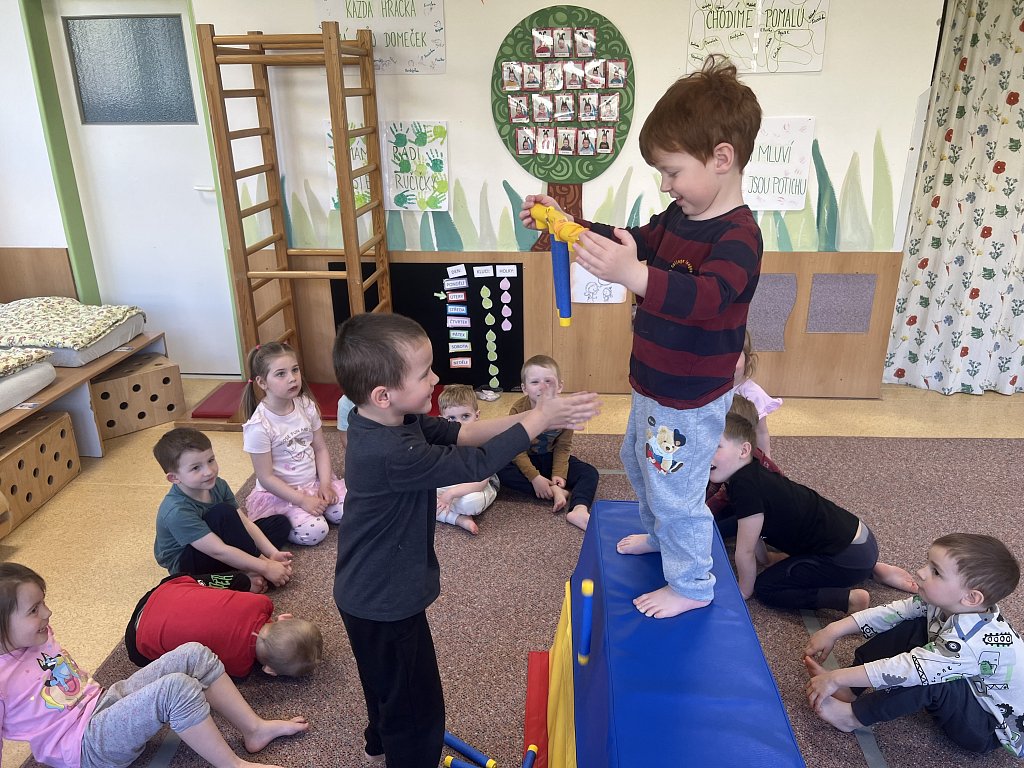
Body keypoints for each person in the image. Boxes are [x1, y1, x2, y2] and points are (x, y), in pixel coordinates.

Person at [520, 54, 764, 618]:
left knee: (676, 489)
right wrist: (568, 223)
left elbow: (708, 297)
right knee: (637, 461)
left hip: (690, 397)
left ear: (721, 158)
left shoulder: (739, 236)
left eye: (672, 172)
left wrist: (634, 276)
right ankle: (660, 536)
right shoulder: (678, 217)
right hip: (653, 383)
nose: (665, 184)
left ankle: (692, 584)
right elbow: (633, 239)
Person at [331, 312, 599, 768]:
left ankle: (379, 741)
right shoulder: (392, 451)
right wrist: (539, 419)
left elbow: (465, 433)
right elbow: (476, 463)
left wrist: (540, 415)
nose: (436, 379)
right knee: (417, 705)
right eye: (424, 374)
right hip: (385, 597)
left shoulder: (389, 419)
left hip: (365, 589)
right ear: (384, 394)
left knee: (385, 678)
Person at [0, 563, 307, 768]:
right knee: (176, 689)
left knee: (194, 653)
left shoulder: (35, 635)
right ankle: (234, 765)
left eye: (43, 602)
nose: (47, 612)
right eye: (34, 610)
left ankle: (254, 729)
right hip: (83, 746)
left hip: (101, 703)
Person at [804, 534, 1024, 757]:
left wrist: (836, 677)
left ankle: (852, 717)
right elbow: (892, 612)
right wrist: (833, 630)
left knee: (929, 676)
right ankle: (850, 690)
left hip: (986, 729)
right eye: (928, 563)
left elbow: (910, 668)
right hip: (971, 688)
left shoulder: (971, 643)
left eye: (936, 572)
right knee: (917, 626)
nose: (920, 572)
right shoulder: (945, 604)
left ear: (971, 598)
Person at [708, 407, 918, 611]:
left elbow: (744, 551)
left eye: (716, 446)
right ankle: (874, 570)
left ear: (744, 450)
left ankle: (848, 599)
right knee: (802, 550)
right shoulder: (752, 472)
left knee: (767, 588)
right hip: (859, 542)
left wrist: (743, 592)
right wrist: (766, 560)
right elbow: (751, 534)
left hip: (848, 558)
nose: (706, 453)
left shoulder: (745, 487)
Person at [153, 428, 293, 588]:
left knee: (279, 523)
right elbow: (218, 550)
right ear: (174, 478)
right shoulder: (176, 511)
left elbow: (245, 523)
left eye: (210, 460)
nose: (209, 471)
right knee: (223, 513)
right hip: (191, 561)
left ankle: (246, 569)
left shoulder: (218, 484)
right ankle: (244, 575)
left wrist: (272, 553)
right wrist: (265, 566)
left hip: (217, 541)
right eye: (196, 468)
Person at [241, 342, 346, 547]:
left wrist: (325, 484)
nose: (292, 378)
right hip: (282, 494)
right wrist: (302, 501)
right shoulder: (259, 426)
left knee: (348, 510)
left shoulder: (306, 405)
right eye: (281, 374)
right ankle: (291, 520)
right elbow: (266, 477)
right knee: (316, 531)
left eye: (295, 370)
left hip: (313, 483)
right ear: (262, 382)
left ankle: (312, 509)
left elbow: (320, 449)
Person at [125, 573, 323, 679]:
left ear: (285, 618)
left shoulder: (261, 602)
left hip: (166, 589)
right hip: (137, 640)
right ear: (269, 670)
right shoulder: (240, 667)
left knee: (238, 581)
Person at [497, 355, 599, 531]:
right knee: (498, 470)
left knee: (589, 473)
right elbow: (517, 450)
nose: (542, 387)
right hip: (526, 459)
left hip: (550, 457)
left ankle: (579, 509)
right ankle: (555, 491)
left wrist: (559, 474)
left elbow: (563, 446)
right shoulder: (518, 410)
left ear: (559, 386)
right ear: (524, 388)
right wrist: (534, 478)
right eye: (535, 382)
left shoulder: (564, 412)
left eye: (548, 381)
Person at [436, 384, 499, 534]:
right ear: (441, 420)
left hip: (480, 486)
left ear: (477, 416)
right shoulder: (441, 441)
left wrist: (450, 494)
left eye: (465, 416)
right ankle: (457, 519)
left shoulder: (482, 442)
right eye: (451, 418)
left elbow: (480, 483)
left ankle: (447, 510)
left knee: (470, 502)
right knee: (416, 494)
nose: (459, 423)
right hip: (453, 484)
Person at [733, 330, 781, 457]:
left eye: (735, 356)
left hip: (741, 455)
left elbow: (761, 432)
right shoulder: (707, 389)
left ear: (748, 360)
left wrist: (766, 460)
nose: (727, 363)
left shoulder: (753, 394)